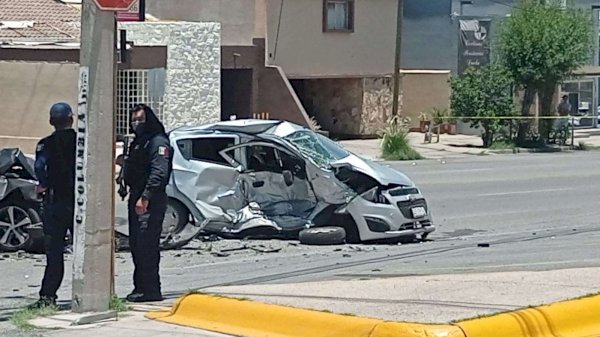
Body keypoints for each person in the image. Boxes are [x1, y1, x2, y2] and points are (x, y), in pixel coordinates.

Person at [122, 104, 171, 302]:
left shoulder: (157, 142)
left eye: (140, 120)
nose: (136, 124)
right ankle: (140, 287)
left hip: (150, 200)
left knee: (147, 245)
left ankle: (151, 289)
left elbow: (159, 172)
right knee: (136, 244)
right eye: (134, 120)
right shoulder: (139, 142)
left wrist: (146, 196)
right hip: (136, 196)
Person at [29, 102, 76, 309]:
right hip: (78, 202)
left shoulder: (45, 144)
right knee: (87, 249)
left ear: (51, 121)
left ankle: (48, 297)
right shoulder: (81, 142)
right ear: (71, 120)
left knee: (55, 252)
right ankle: (93, 294)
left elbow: (39, 167)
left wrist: (44, 184)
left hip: (55, 202)